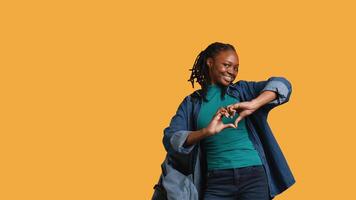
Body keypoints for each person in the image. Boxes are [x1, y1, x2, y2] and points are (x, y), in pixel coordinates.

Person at [152, 42, 296, 200]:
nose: (232, 72)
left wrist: (254, 104)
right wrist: (206, 132)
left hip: (254, 175)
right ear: (210, 62)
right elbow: (170, 139)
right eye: (227, 65)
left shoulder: (243, 91)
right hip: (216, 180)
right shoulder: (191, 103)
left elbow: (282, 85)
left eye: (236, 68)